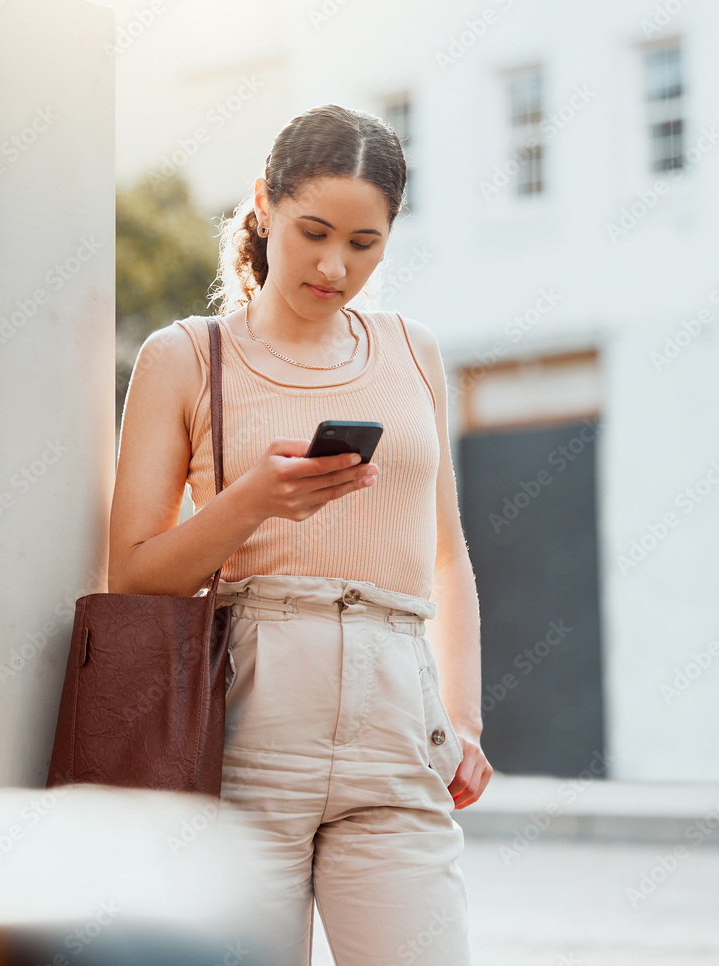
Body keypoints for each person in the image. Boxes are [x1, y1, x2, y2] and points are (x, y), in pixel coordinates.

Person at [108, 104, 493, 966]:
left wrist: (461, 719)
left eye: (364, 243)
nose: (334, 265)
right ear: (263, 204)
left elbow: (446, 553)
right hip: (244, 730)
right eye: (313, 231)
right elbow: (130, 576)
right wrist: (252, 502)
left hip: (398, 722)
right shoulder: (186, 356)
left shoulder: (412, 350)